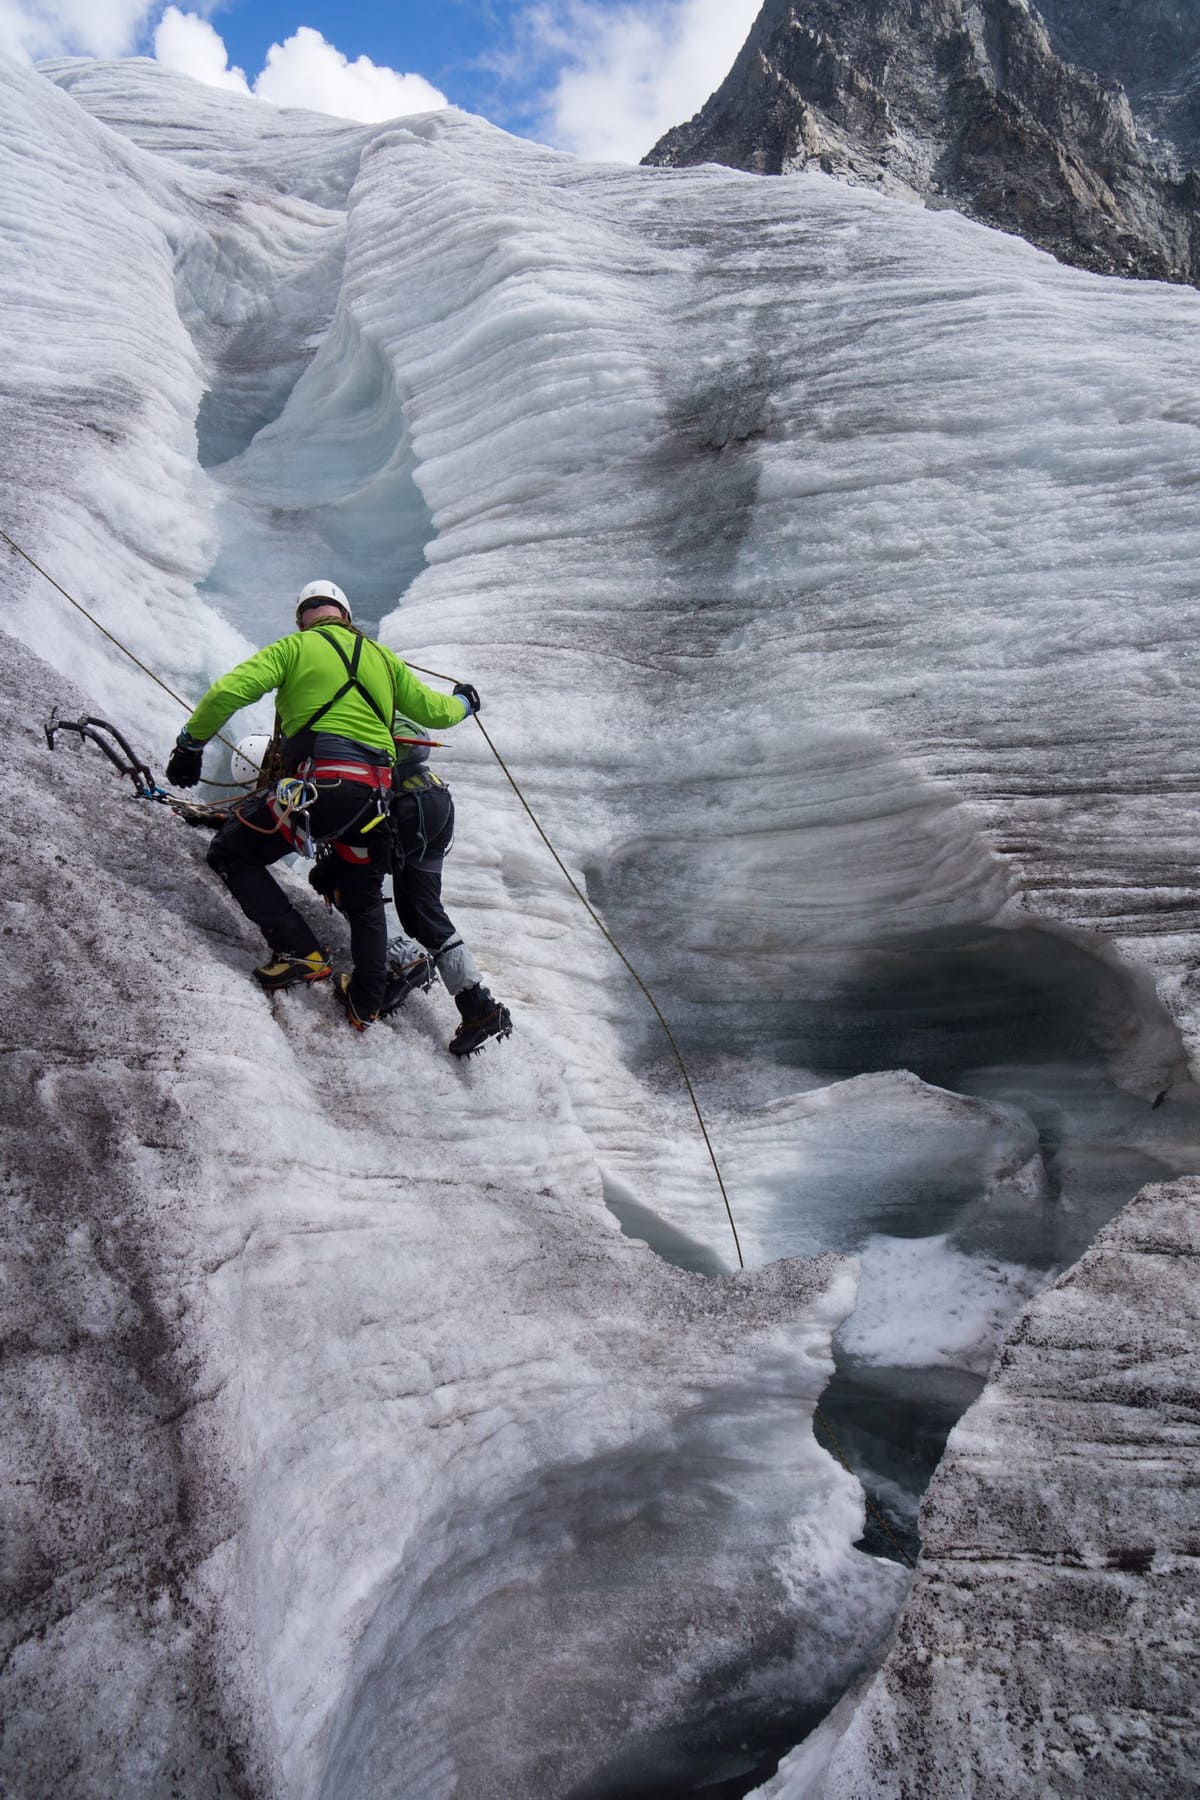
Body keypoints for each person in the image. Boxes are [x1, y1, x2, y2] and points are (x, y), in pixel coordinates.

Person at [165, 578, 477, 1031]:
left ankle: (299, 951)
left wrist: (189, 746)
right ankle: (365, 1004)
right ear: (345, 617)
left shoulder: (293, 648)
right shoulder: (383, 659)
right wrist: (466, 702)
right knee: (363, 895)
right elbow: (435, 713)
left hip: (319, 790)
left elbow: (230, 692)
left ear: (302, 618)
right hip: (373, 801)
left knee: (232, 852)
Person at [374, 714, 513, 1057]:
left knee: (353, 879)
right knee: (421, 911)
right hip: (433, 800)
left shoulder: (358, 708)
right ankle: (478, 1005)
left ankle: (405, 961)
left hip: (407, 804)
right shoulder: (390, 705)